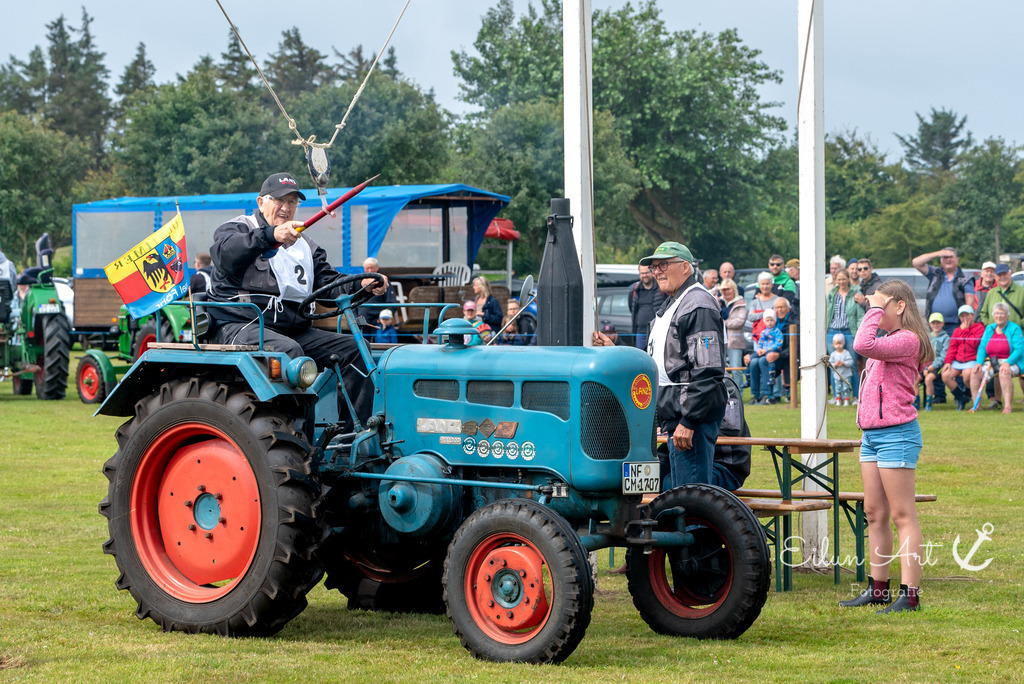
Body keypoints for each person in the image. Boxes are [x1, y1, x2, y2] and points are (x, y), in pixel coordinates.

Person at [207, 172, 390, 420]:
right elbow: (224, 256)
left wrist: (362, 284)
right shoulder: (239, 228)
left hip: (293, 329)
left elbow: (328, 284)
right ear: (261, 202)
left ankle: (354, 434)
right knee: (289, 352)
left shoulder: (306, 245)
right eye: (279, 200)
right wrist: (271, 235)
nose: (286, 207)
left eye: (292, 201)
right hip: (240, 325)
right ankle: (295, 434)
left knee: (356, 349)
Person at [593, 241, 727, 488]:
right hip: (674, 416)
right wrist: (616, 350)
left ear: (685, 267)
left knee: (690, 496)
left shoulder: (697, 304)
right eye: (654, 267)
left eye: (664, 265)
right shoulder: (674, 303)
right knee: (673, 491)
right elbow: (656, 360)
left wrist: (689, 421)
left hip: (689, 420)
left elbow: (707, 371)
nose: (657, 271)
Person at [840, 279, 932, 614]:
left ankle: (910, 596)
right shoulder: (891, 341)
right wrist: (878, 305)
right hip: (872, 436)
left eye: (881, 306)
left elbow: (862, 344)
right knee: (874, 513)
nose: (875, 312)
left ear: (900, 305)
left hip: (897, 435)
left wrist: (874, 307)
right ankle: (878, 589)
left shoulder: (907, 340)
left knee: (902, 514)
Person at [968, 301, 1024, 414]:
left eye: (1002, 313)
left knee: (1004, 372)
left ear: (1007, 315)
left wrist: (1007, 363)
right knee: (975, 373)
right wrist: (979, 362)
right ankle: (976, 405)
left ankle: (1008, 407)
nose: (999, 316)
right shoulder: (989, 328)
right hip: (992, 362)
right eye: (997, 313)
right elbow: (982, 347)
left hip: (1013, 362)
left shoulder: (1014, 328)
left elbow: (1019, 349)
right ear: (993, 315)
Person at [912, 247, 977, 335]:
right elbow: (916, 262)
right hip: (935, 324)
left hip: (956, 325)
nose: (948, 259)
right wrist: (937, 253)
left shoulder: (965, 278)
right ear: (941, 260)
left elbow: (970, 301)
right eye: (945, 257)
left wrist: (966, 321)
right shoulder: (935, 273)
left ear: (957, 260)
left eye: (951, 257)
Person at [826, 269, 864, 400]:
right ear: (835, 280)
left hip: (849, 332)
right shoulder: (832, 294)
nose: (841, 282)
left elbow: (860, 315)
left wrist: (858, 332)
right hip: (833, 331)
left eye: (844, 279)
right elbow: (827, 312)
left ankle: (855, 396)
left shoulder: (855, 293)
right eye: (839, 279)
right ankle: (837, 396)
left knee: (852, 365)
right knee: (834, 365)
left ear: (848, 279)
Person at [940, 304, 986, 411]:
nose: (965, 318)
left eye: (967, 315)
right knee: (945, 375)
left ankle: (969, 395)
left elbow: (975, 344)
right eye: (962, 316)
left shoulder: (979, 328)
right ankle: (961, 398)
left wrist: (965, 331)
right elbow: (952, 347)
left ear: (972, 315)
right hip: (958, 361)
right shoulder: (957, 330)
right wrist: (948, 362)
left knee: (967, 375)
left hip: (972, 359)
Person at [748, 309, 782, 405]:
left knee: (762, 361)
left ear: (775, 321)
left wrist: (766, 350)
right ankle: (755, 394)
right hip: (762, 353)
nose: (770, 322)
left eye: (771, 320)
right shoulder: (763, 332)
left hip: (772, 355)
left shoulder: (777, 332)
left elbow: (778, 344)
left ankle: (767, 394)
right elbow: (760, 343)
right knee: (753, 362)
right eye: (767, 320)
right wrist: (759, 349)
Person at [628, 263, 665, 350]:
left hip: (657, 331)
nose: (645, 275)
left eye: (647, 273)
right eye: (642, 273)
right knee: (640, 356)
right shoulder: (635, 290)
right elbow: (631, 308)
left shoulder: (661, 288)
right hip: (640, 332)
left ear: (652, 272)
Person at [719, 278, 747, 388]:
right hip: (720, 340)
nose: (726, 292)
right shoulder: (718, 302)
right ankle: (724, 393)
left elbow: (739, 322)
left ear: (734, 289)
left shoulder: (741, 303)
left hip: (735, 341)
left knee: (736, 369)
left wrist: (723, 323)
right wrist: (717, 291)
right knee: (720, 369)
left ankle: (738, 393)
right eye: (724, 289)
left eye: (728, 289)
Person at [357, 257, 398, 333]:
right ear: (364, 269)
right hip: (362, 320)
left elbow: (392, 302)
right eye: (367, 268)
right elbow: (353, 302)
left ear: (377, 268)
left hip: (378, 321)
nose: (370, 271)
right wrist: (355, 317)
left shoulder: (384, 283)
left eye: (372, 268)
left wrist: (384, 317)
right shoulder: (359, 283)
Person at [769, 296, 799, 397]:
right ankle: (766, 394)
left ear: (788, 309)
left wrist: (779, 354)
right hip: (775, 352)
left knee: (788, 361)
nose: (779, 310)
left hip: (790, 354)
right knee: (760, 361)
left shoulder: (795, 321)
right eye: (777, 307)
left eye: (782, 307)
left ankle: (789, 392)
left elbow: (796, 346)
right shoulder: (772, 321)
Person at [921, 313, 950, 411]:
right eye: (933, 323)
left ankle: (928, 404)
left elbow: (943, 356)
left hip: (938, 367)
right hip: (926, 365)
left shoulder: (946, 338)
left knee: (928, 379)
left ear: (943, 324)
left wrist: (932, 367)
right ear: (930, 324)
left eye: (938, 323)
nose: (936, 325)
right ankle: (915, 404)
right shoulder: (928, 337)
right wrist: (925, 368)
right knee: (915, 379)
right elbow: (924, 354)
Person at [746, 272, 778, 345]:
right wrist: (766, 313)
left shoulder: (777, 300)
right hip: (758, 338)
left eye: (767, 284)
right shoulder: (755, 302)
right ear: (759, 285)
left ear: (771, 285)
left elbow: (777, 316)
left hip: (774, 339)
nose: (765, 286)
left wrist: (758, 314)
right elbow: (750, 317)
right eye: (763, 284)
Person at [828, 333, 854, 406]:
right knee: (838, 388)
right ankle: (838, 400)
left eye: (840, 343)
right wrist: (835, 364)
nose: (838, 345)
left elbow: (851, 362)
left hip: (846, 375)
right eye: (836, 344)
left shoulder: (846, 353)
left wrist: (843, 363)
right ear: (833, 344)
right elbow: (830, 364)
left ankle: (846, 400)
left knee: (846, 388)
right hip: (837, 375)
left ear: (843, 343)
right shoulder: (833, 354)